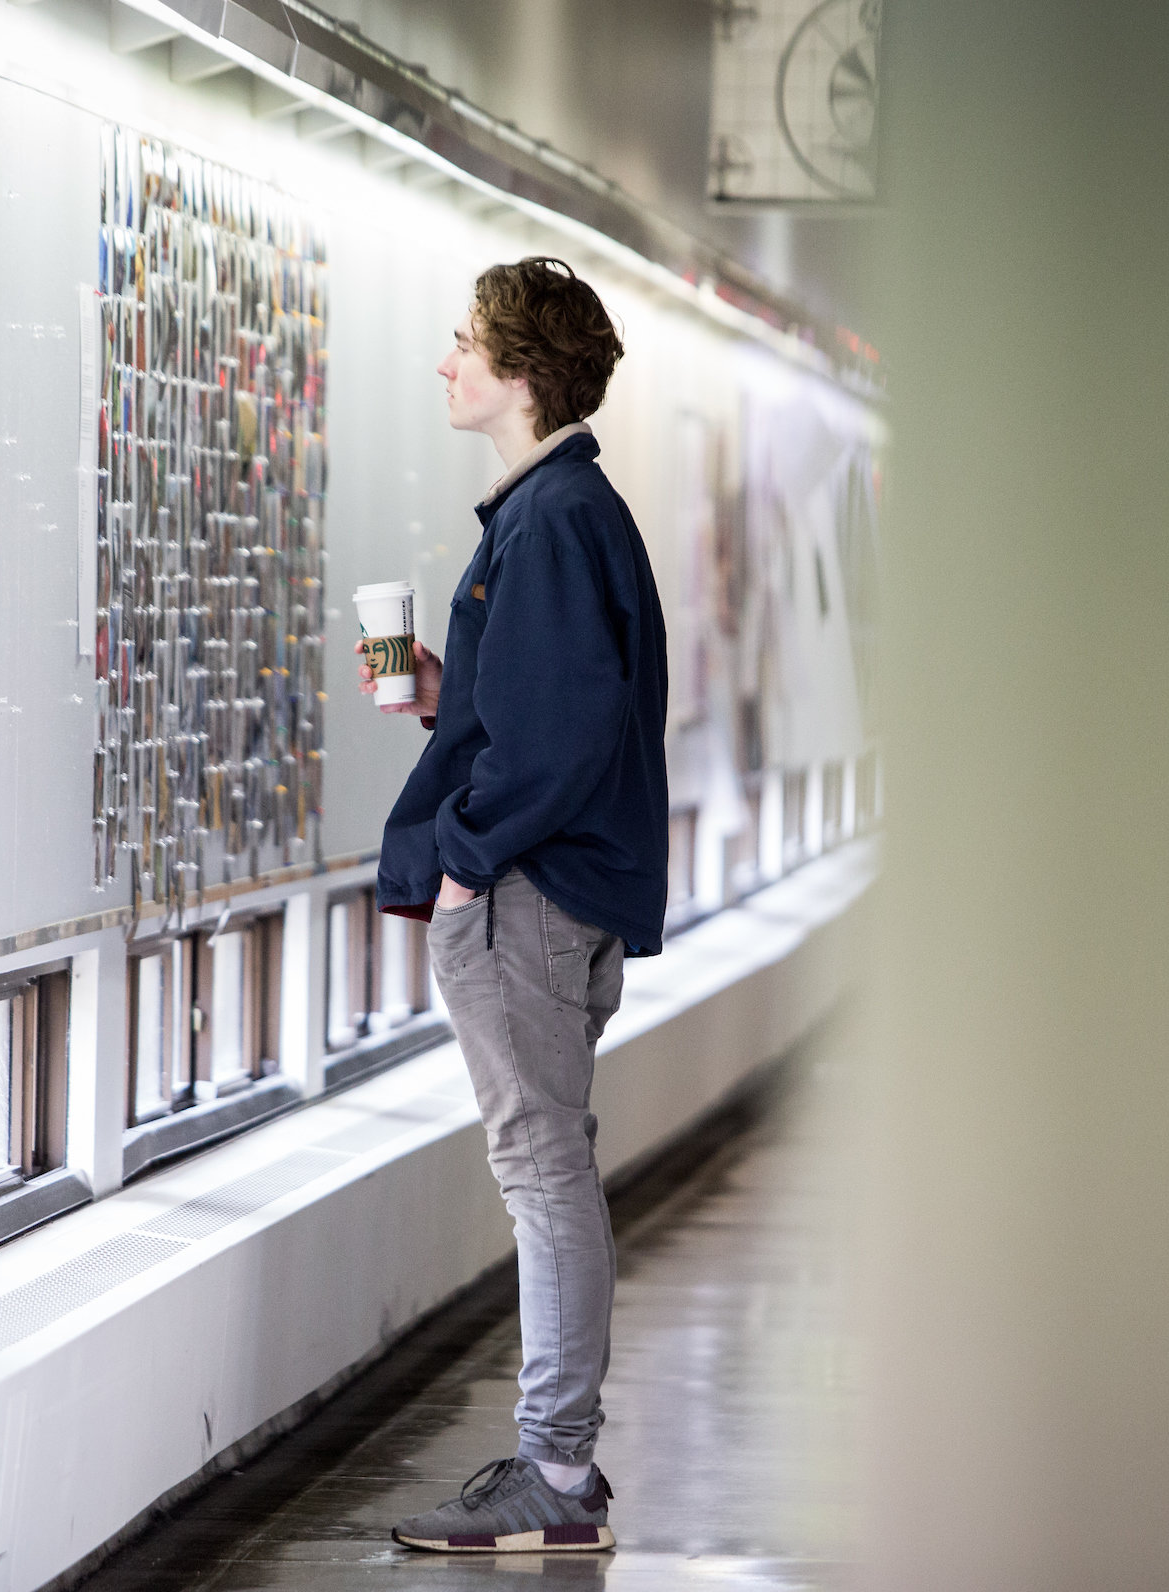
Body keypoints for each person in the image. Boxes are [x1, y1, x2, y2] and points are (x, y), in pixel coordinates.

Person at [357, 256, 669, 1554]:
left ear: (522, 372)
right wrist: (449, 692)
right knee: (550, 1171)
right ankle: (558, 1463)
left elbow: (566, 734)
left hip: (529, 896)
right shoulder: (567, 513)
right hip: (567, 885)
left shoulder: (544, 523)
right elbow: (551, 707)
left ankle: (558, 1473)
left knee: (543, 1178)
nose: (445, 363)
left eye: (464, 343)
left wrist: (467, 854)